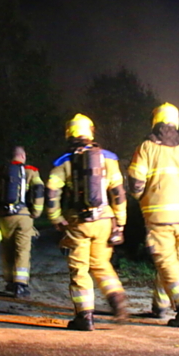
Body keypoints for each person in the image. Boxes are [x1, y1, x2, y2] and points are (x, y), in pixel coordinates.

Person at [46, 114, 129, 331]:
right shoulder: (109, 158)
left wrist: (55, 218)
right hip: (105, 219)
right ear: (91, 131)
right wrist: (120, 222)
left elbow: (52, 191)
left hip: (78, 222)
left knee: (79, 269)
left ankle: (84, 317)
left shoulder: (63, 161)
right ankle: (117, 298)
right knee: (101, 264)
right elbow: (118, 192)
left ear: (69, 134)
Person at [127, 103, 179, 327]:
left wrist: (142, 197)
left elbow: (135, 183)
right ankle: (160, 306)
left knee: (166, 263)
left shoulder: (146, 148)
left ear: (155, 122)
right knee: (171, 263)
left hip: (158, 217)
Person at [0, 146, 44, 298]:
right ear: (23, 156)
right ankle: (20, 284)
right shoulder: (31, 171)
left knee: (7, 248)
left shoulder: (0, 172)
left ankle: (10, 281)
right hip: (23, 216)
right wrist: (36, 212)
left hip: (4, 217)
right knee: (22, 250)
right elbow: (38, 191)